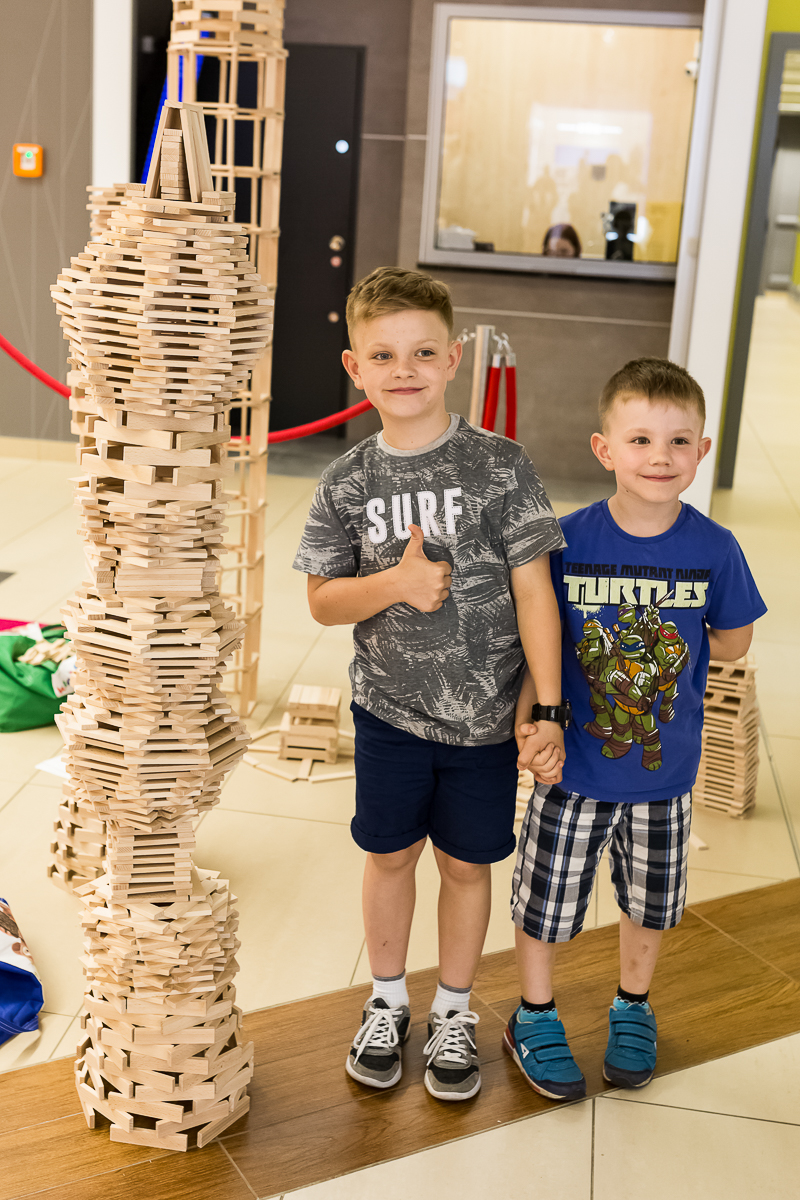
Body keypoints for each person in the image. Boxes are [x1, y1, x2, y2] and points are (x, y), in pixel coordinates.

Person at [293, 266, 567, 1101]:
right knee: (389, 856)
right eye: (383, 354)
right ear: (355, 368)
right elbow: (322, 601)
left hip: (486, 722)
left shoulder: (500, 465)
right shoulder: (346, 482)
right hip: (389, 714)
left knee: (466, 866)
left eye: (422, 352)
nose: (404, 369)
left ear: (453, 359)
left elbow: (536, 593)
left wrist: (549, 707)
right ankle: (386, 1002)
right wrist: (395, 585)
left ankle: (453, 1010)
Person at [504, 357, 767, 1101]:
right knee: (547, 900)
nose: (660, 456)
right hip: (574, 770)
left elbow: (735, 640)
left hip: (665, 776)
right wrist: (530, 722)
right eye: (641, 439)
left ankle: (633, 1005)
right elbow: (538, 641)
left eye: (679, 441)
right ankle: (533, 1013)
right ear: (605, 449)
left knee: (650, 902)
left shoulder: (715, 547)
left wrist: (668, 655)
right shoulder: (565, 539)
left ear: (702, 451)